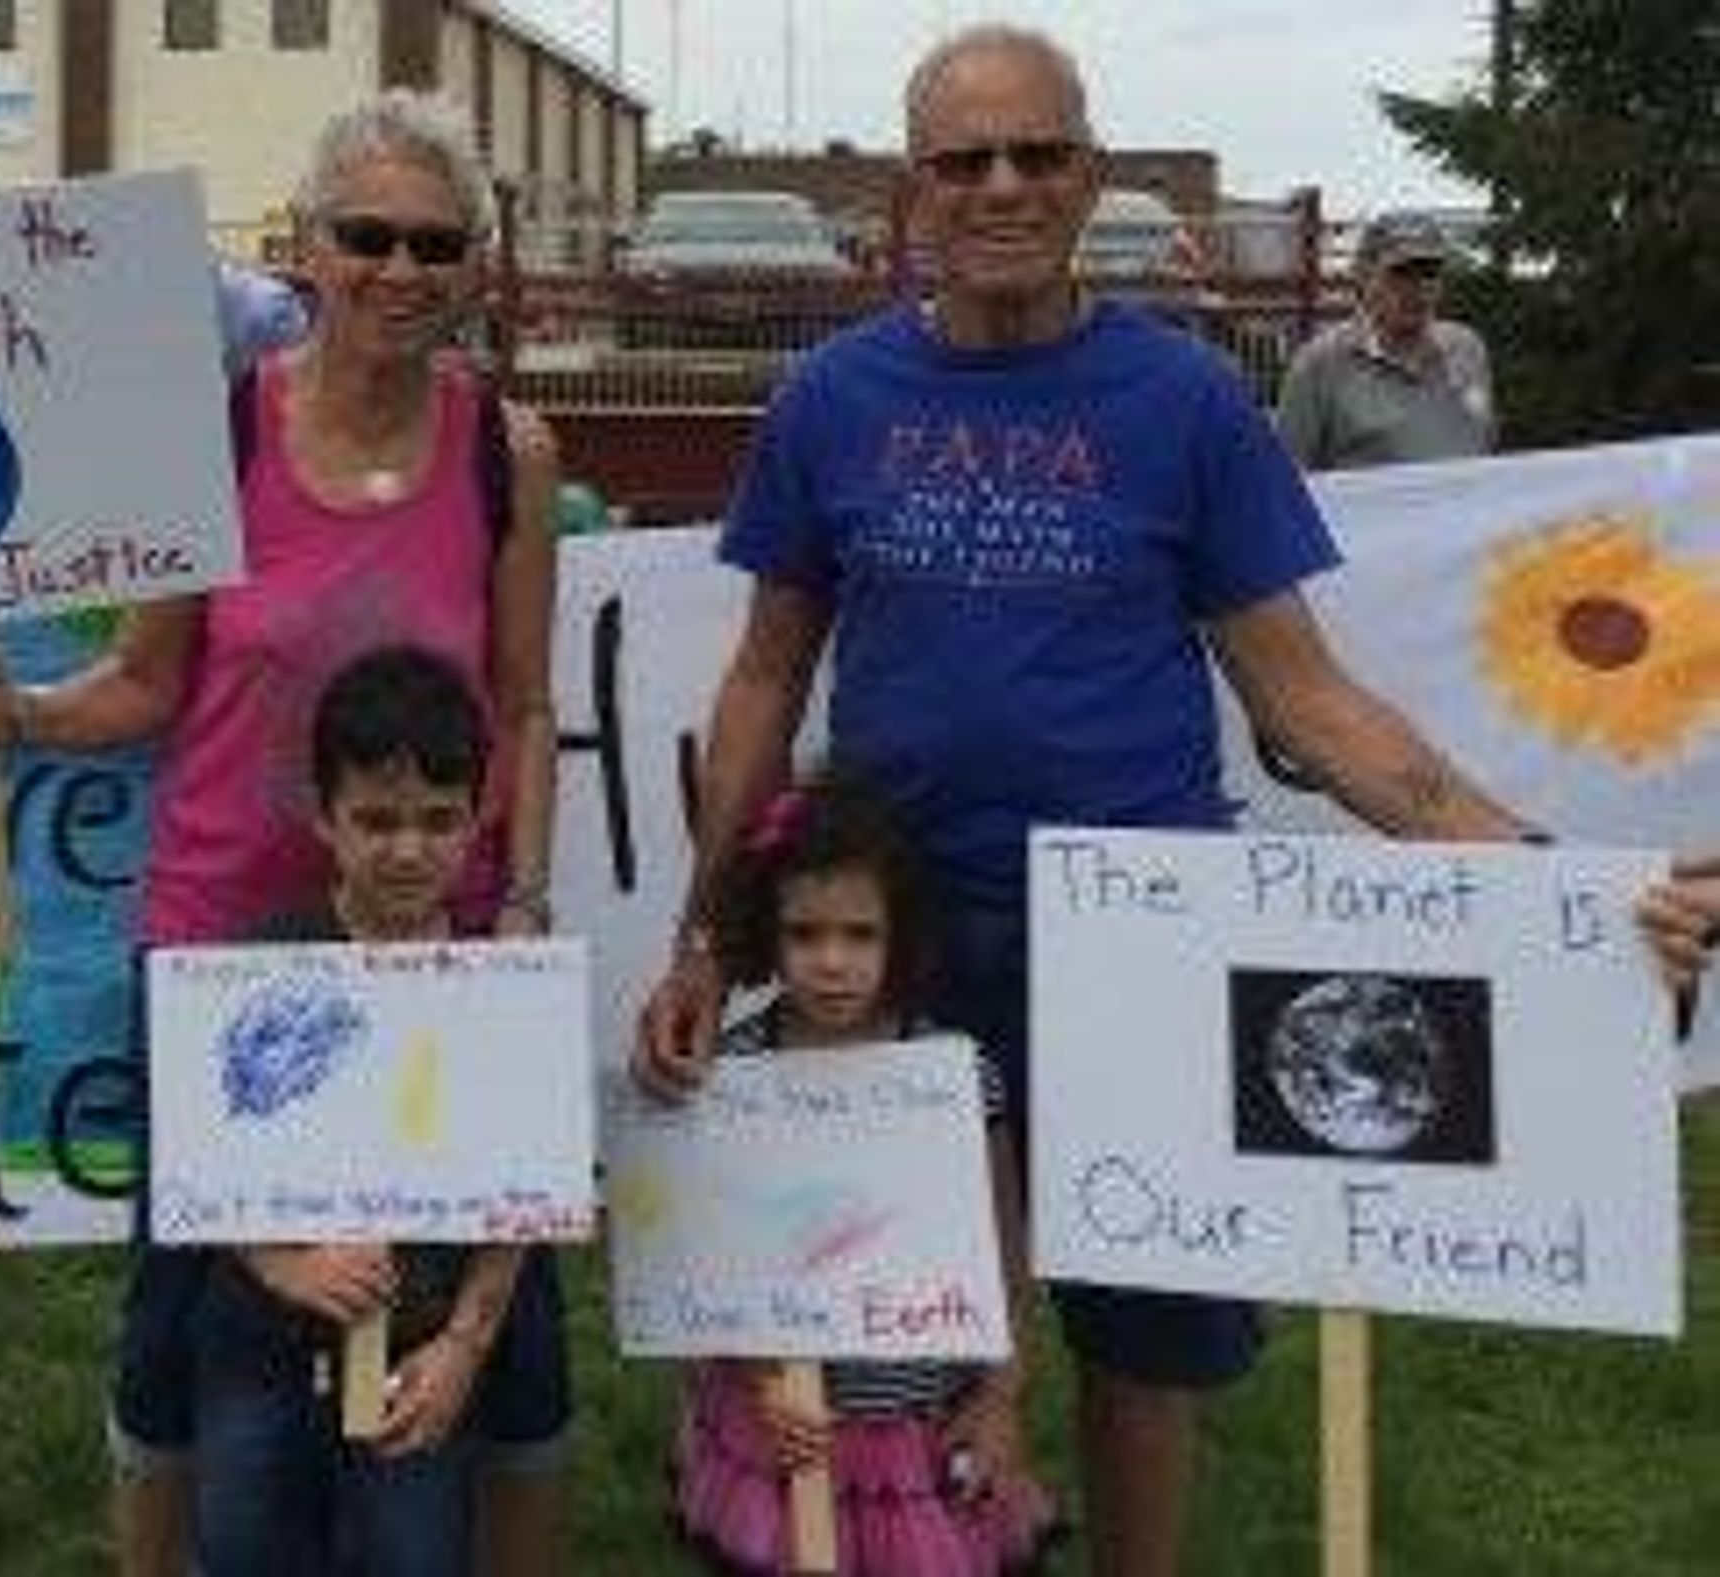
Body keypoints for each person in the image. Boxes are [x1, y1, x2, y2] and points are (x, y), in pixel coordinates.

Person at [631, 25, 1717, 1577]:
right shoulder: (828, 399)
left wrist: (1554, 882)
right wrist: (698, 936)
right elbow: (759, 679)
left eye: (1037, 153)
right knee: (887, 1321)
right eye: (963, 159)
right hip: (891, 946)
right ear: (910, 190)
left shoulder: (1189, 401)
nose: (1001, 184)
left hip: (1140, 945)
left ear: (1088, 171)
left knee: (1144, 1338)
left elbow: (1311, 699)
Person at [0, 90, 565, 1577]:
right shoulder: (214, 429)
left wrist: (519, 893)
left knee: (502, 1334)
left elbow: (524, 703)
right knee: (182, 1326)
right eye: (367, 237)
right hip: (222, 956)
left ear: (471, 262)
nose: (400, 271)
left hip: (433, 952)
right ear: (304, 248)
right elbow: (149, 681)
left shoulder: (505, 453)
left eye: (435, 242)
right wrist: (8, 711)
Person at [670, 770, 1060, 1576]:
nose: (832, 961)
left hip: (919, 1423)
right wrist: (761, 1380)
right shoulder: (735, 1071)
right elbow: (705, 1260)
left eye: (859, 934)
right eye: (805, 934)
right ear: (767, 934)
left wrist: (999, 1395)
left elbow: (1003, 1254)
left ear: (901, 934)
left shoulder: (955, 1076)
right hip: (779, 1416)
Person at [190, 645, 528, 1577]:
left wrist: (464, 1344)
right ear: (324, 815)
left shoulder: (501, 988)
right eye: (376, 820)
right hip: (259, 1339)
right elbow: (206, 1162)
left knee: (411, 1556)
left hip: (421, 1344)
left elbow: (520, 1192)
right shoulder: (264, 960)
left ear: (476, 817)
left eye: (438, 820)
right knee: (245, 1547)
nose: (409, 849)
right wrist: (285, 1264)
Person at [1276, 209, 1495, 470]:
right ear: (1363, 277)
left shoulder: (1468, 348)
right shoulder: (1318, 366)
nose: (1417, 289)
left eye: (1429, 273)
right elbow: (1287, 479)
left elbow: (1484, 447)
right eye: (1401, 274)